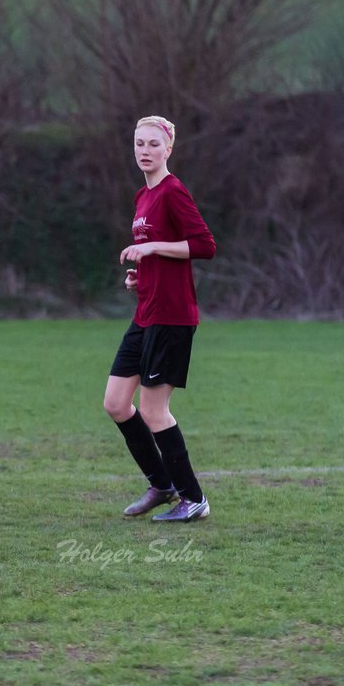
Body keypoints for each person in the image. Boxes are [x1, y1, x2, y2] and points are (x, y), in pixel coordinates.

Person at [103, 116, 216, 522]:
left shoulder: (172, 191)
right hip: (145, 313)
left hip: (172, 317)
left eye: (153, 144)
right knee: (116, 403)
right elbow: (158, 253)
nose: (144, 150)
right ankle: (162, 484)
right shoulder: (142, 196)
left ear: (169, 149)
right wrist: (141, 275)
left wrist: (150, 250)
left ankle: (194, 498)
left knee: (153, 410)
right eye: (138, 143)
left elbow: (204, 245)